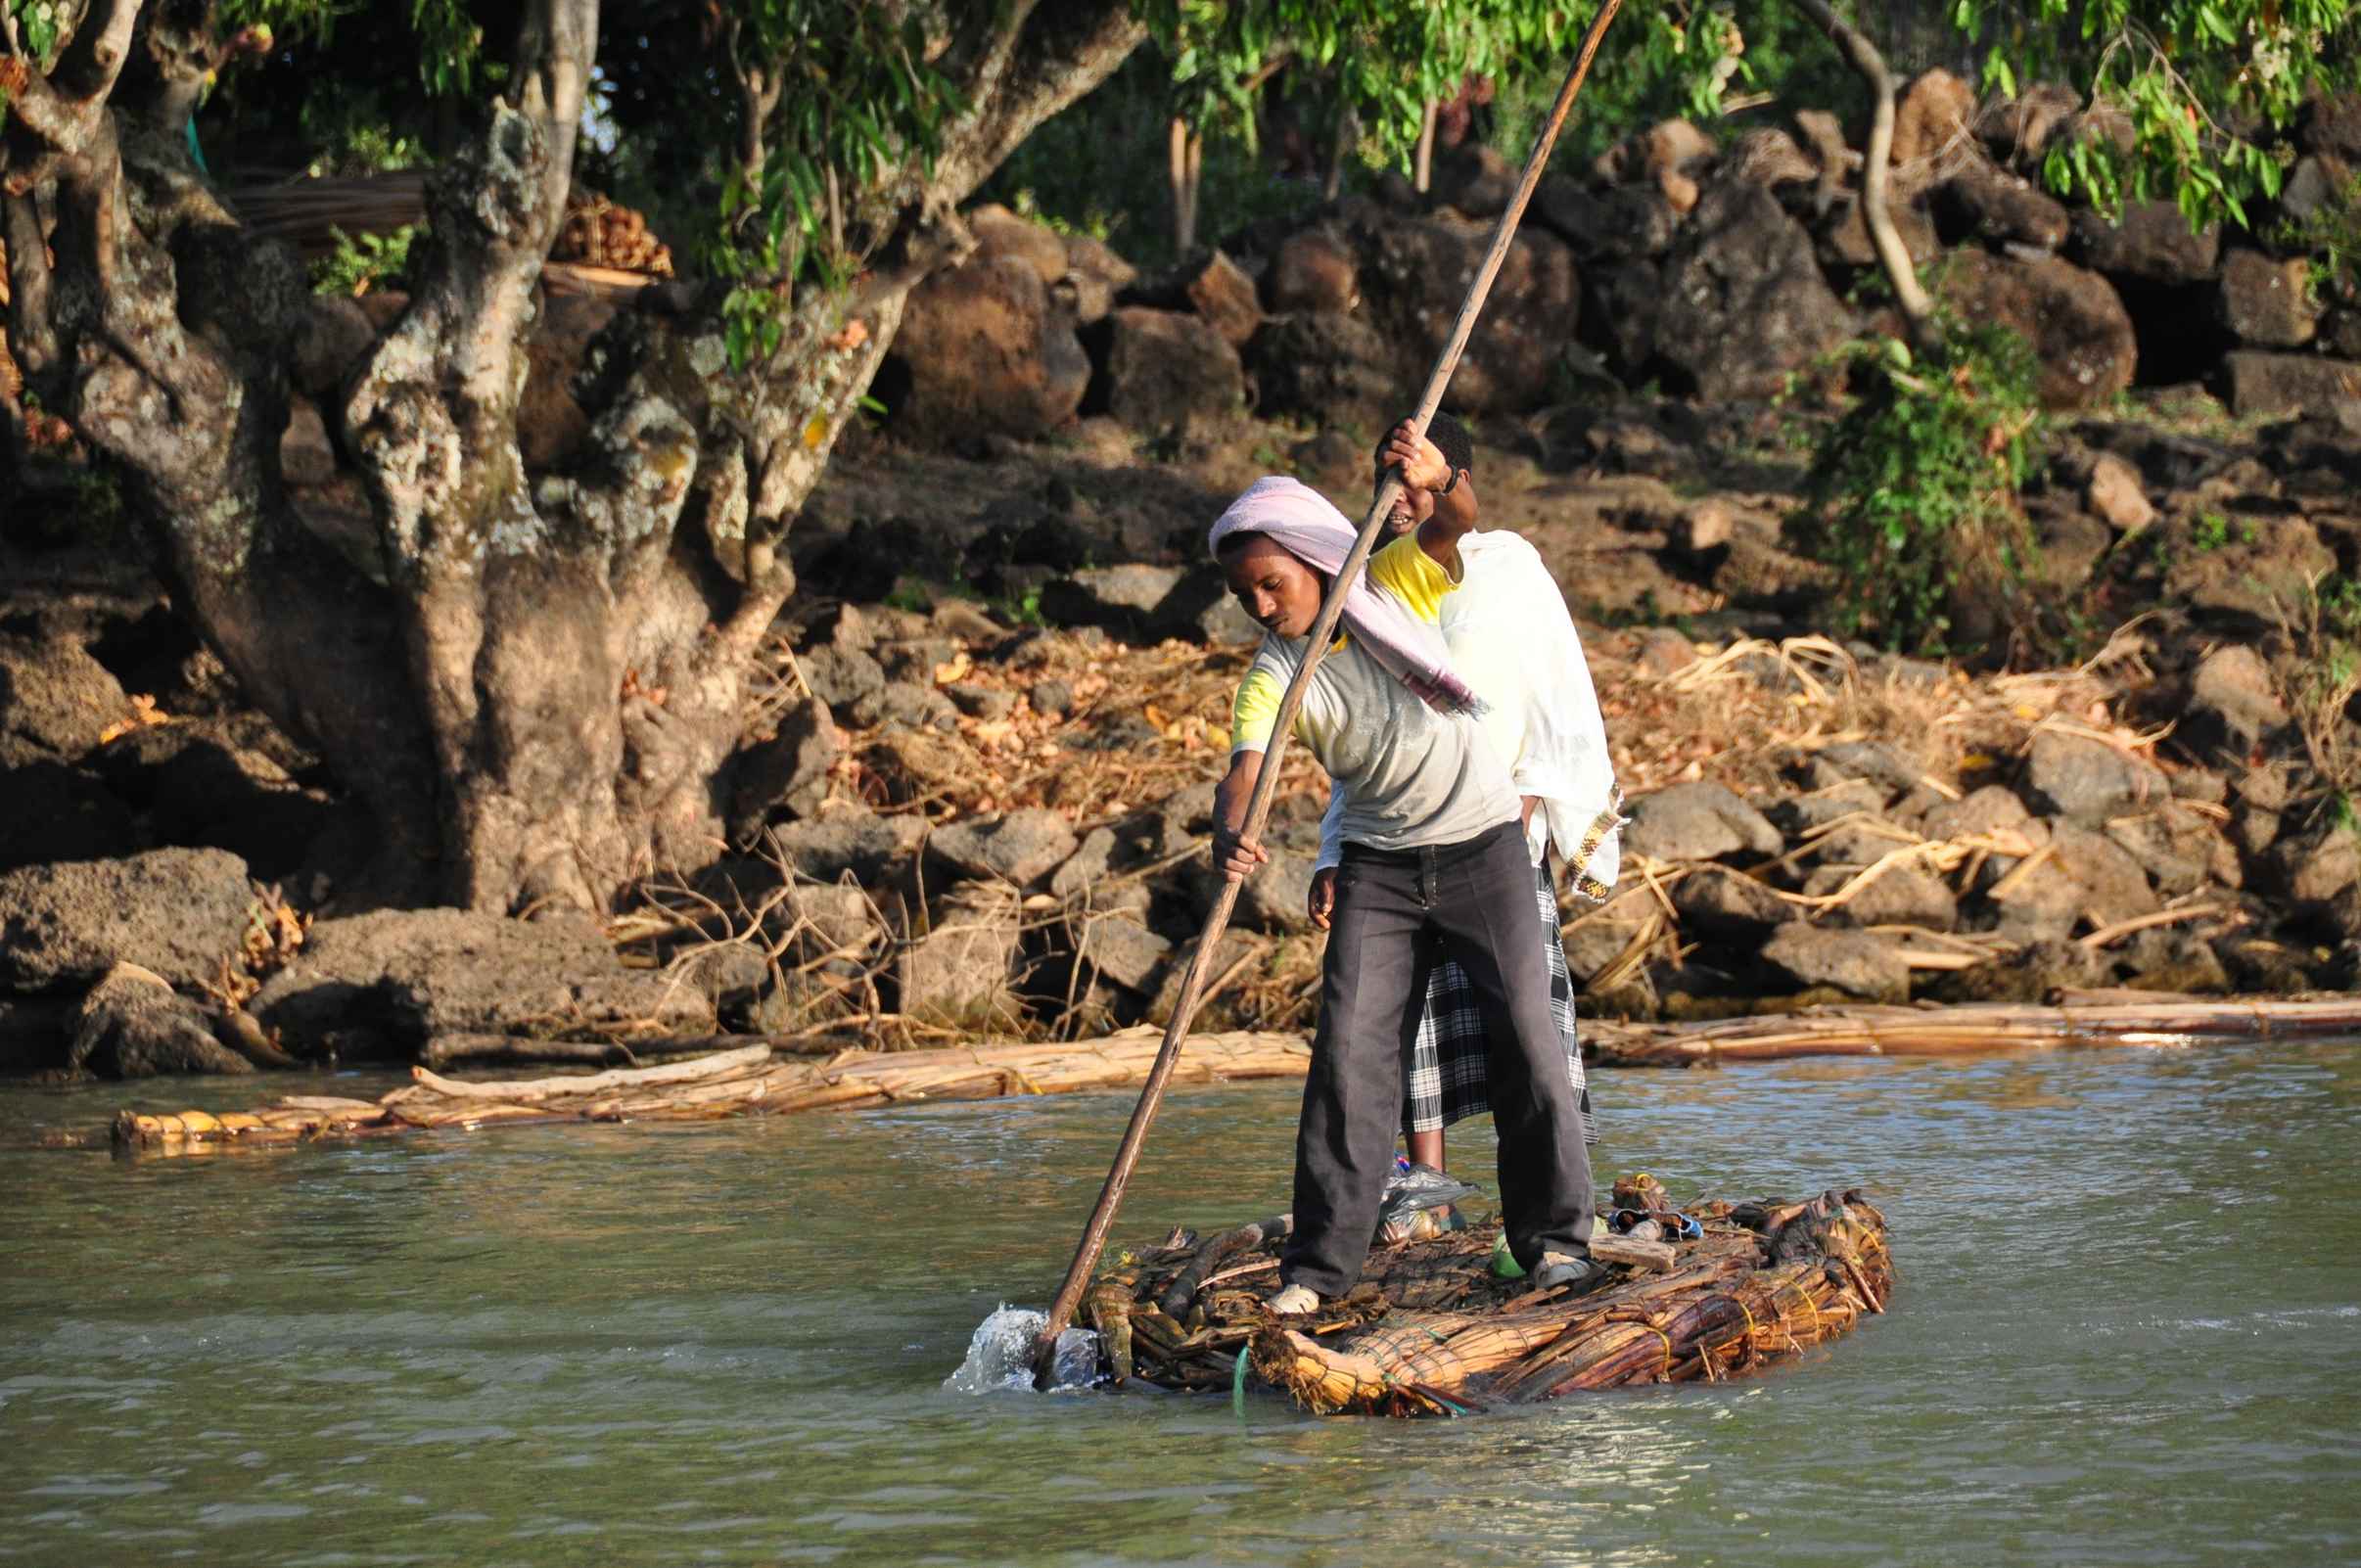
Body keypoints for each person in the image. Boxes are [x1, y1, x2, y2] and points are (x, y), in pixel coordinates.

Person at [1206, 456, 1597, 1314]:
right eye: (1247, 598)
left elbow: (1458, 517)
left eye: (1272, 586)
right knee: (1348, 1061)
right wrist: (1232, 827)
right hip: (1381, 866)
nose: (1264, 609)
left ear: (1313, 561)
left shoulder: (1390, 591)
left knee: (1529, 1045)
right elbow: (1246, 769)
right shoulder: (1274, 675)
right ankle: (1317, 1274)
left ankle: (1557, 1246)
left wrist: (1441, 470)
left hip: (1482, 848)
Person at [1308, 413, 1623, 1182]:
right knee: (1405, 1028)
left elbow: (1556, 693)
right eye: (1391, 480)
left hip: (1496, 832)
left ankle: (1550, 1202)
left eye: (1415, 480)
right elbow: (1365, 733)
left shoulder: (1508, 566)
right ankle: (1424, 1197)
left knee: (1527, 1027)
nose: (1402, 497)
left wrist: (1535, 803)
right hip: (1399, 835)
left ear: (1457, 479)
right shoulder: (1373, 585)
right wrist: (1330, 848)